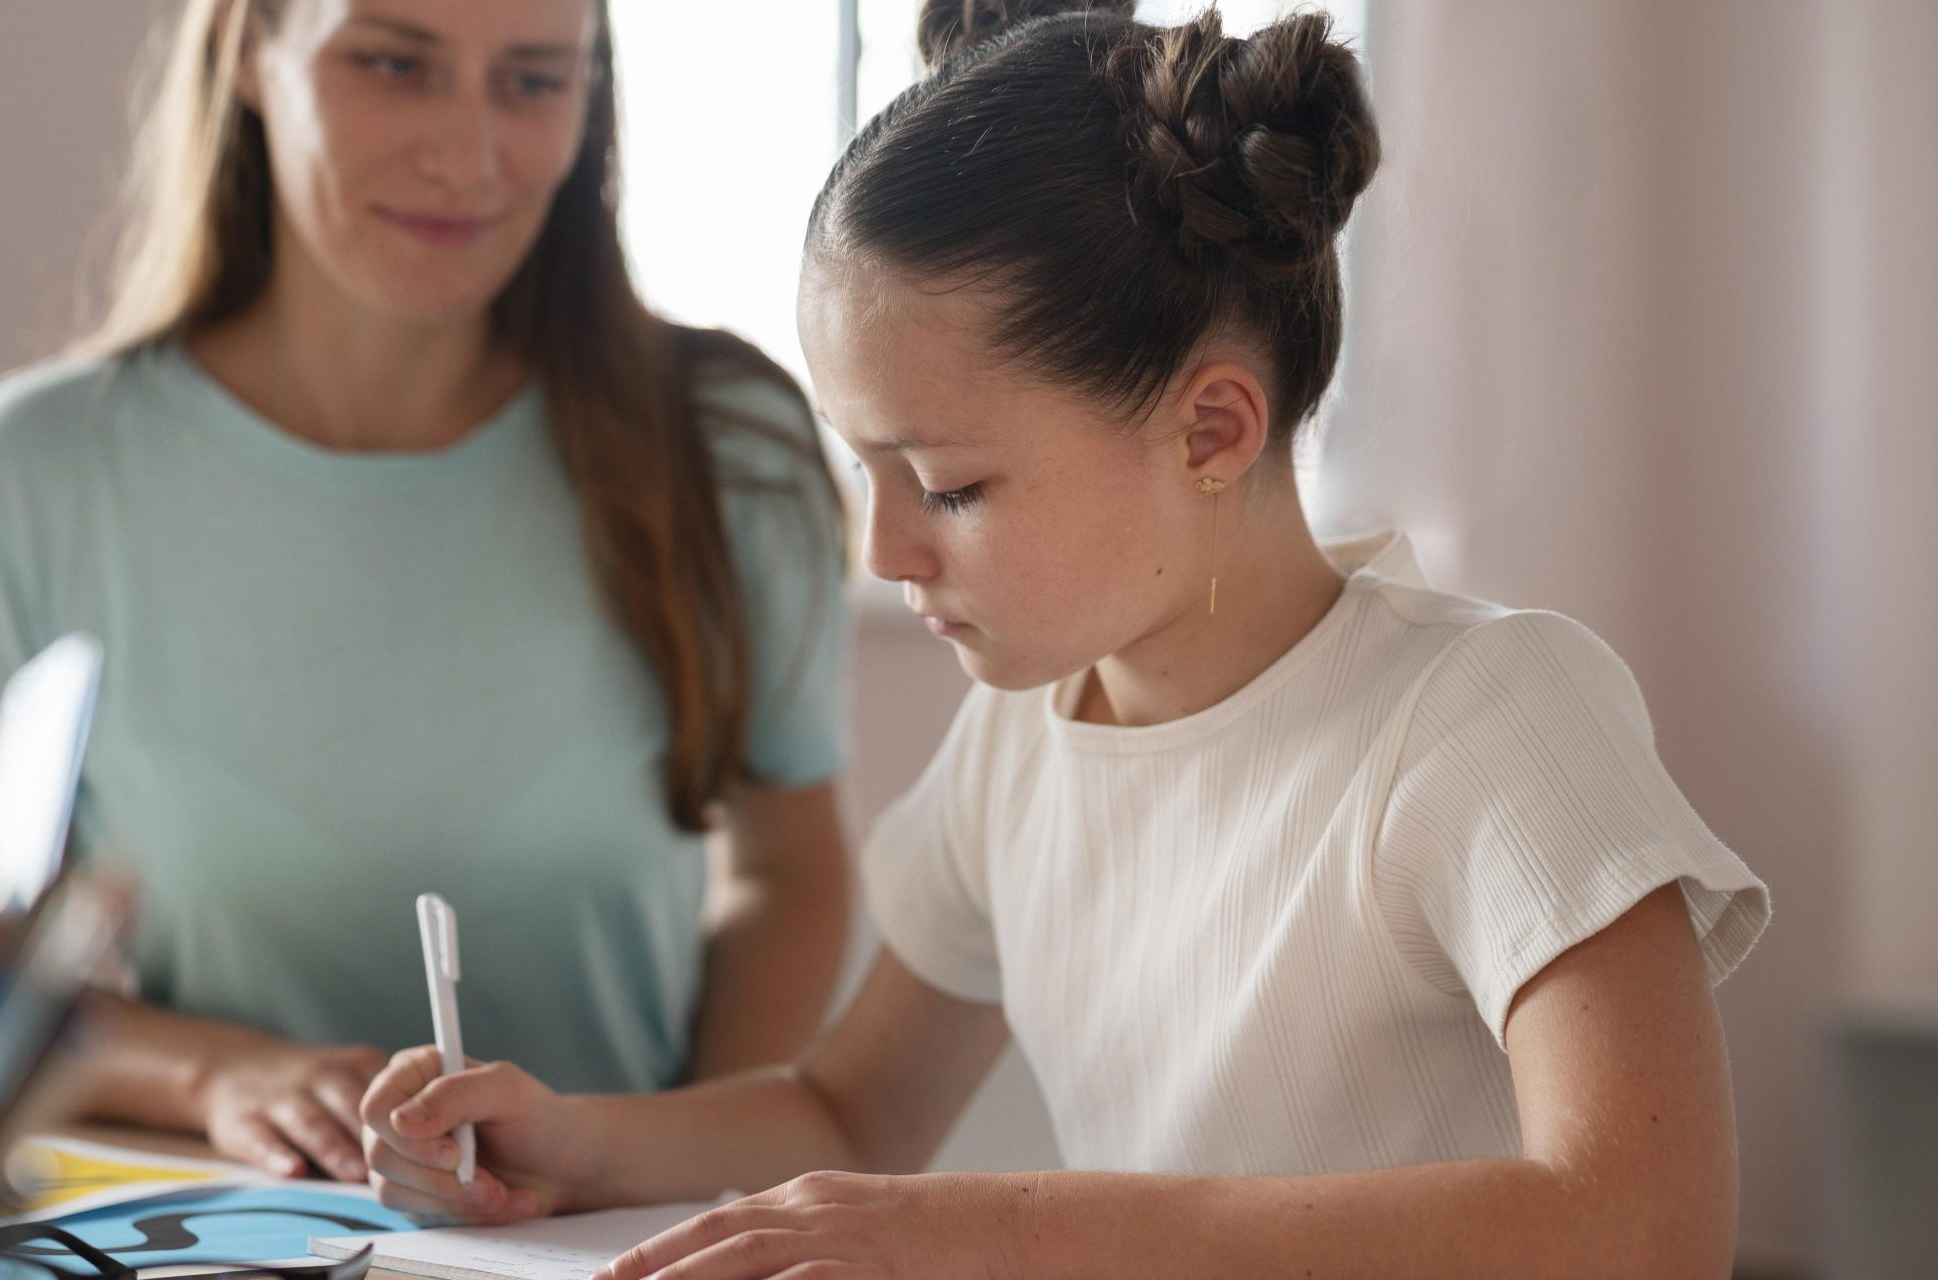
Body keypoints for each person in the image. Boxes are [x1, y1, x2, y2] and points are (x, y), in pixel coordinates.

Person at [356, 3, 1772, 1275]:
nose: (886, 551)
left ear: (1213, 428)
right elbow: (850, 1108)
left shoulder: (1485, 716)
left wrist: (1006, 1228)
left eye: (953, 486)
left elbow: (1643, 1225)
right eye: (870, 474)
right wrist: (565, 1142)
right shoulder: (1022, 738)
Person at [0, 0, 854, 1184]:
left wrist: (661, 1166)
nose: (469, 154)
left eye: (535, 81)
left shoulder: (726, 445)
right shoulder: (24, 473)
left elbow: (791, 872)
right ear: (245, 51)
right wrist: (216, 1073)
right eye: (394, 64)